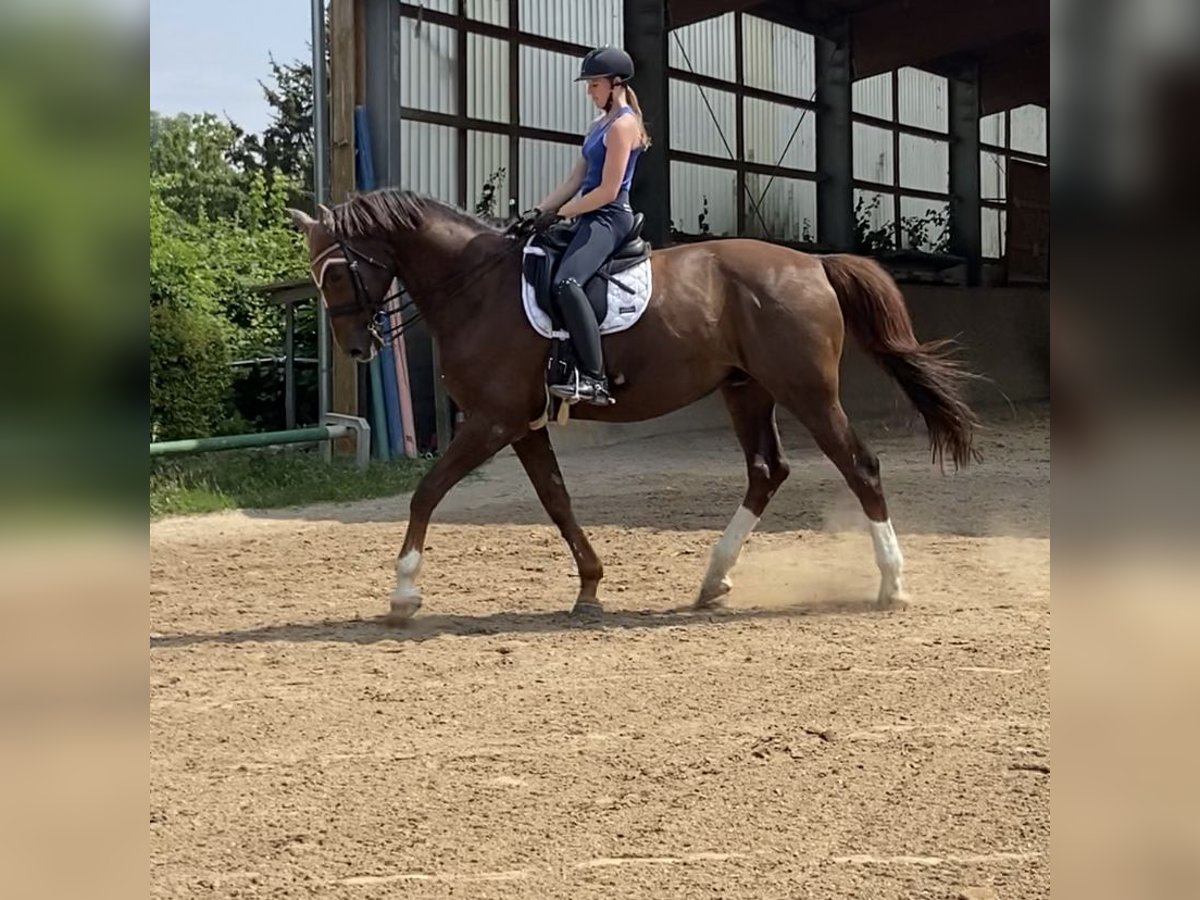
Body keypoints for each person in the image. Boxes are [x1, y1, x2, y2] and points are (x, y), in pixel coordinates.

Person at [518, 46, 652, 406]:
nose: (589, 91)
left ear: (616, 84)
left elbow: (608, 191)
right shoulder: (599, 125)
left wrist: (565, 214)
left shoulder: (624, 125)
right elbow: (574, 180)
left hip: (610, 217)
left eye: (594, 84)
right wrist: (538, 212)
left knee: (567, 282)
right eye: (590, 85)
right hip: (589, 213)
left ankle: (594, 377)